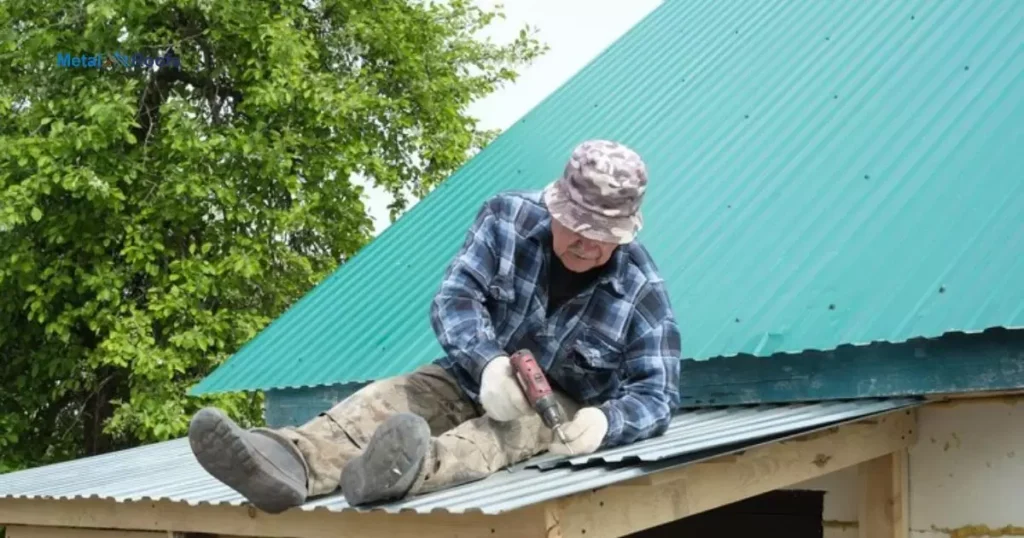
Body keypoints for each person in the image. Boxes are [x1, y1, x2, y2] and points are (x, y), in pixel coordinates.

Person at [187, 139, 681, 514]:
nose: (589, 246)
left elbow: (657, 394)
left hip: (557, 406)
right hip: (471, 371)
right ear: (555, 206)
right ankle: (284, 462)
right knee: (390, 397)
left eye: (605, 236)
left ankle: (401, 471)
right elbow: (456, 297)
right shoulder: (505, 218)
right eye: (579, 227)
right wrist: (488, 364)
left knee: (504, 435)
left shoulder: (641, 288)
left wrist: (604, 424)